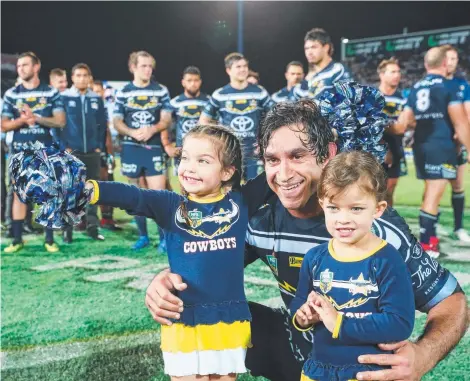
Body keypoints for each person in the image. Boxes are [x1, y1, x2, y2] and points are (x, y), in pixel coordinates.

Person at [146, 100, 468, 381]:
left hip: (361, 368)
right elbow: (204, 266)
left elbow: (452, 302)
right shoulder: (258, 220)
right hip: (300, 355)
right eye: (273, 160)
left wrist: (422, 356)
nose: (283, 174)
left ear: (327, 154)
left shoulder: (375, 229)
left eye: (297, 156)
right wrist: (165, 284)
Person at [85, 124, 256, 379]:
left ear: (228, 171)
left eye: (203, 161)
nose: (189, 167)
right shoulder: (171, 205)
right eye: (185, 158)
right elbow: (133, 196)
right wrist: (86, 190)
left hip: (228, 318)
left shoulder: (240, 203)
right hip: (183, 317)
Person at [291, 151, 415, 380]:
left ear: (378, 209)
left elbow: (400, 323)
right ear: (322, 205)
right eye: (334, 208)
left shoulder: (387, 260)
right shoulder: (314, 257)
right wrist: (302, 317)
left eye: (356, 208)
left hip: (366, 373)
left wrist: (340, 323)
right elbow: (299, 303)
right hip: (317, 370)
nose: (343, 219)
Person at [401, 47, 470, 258]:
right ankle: (426, 246)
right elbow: (461, 123)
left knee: (430, 192)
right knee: (433, 195)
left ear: (425, 64)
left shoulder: (416, 87)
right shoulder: (448, 87)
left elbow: (407, 121)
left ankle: (429, 238)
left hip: (421, 145)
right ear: (443, 63)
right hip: (442, 146)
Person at [1, 51, 66, 253]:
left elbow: (60, 121)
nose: (20, 68)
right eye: (19, 65)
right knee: (19, 195)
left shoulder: (51, 92)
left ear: (36, 67)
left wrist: (36, 118)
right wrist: (22, 121)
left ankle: (49, 239)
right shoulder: (12, 94)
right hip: (20, 152)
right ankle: (17, 239)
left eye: (25, 65)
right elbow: (3, 125)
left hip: (44, 151)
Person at [113, 51, 173, 250]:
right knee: (135, 195)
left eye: (150, 66)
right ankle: (143, 236)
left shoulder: (161, 90)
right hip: (131, 149)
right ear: (133, 68)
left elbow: (166, 119)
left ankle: (164, 238)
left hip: (153, 148)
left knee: (158, 194)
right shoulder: (123, 92)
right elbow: (116, 121)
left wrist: (152, 129)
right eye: (143, 66)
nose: (147, 70)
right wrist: (131, 132)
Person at [200, 52, 273, 181]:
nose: (243, 69)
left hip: (254, 153)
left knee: (257, 193)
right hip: (230, 152)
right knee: (231, 193)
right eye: (238, 67)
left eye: (245, 66)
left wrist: (266, 141)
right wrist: (215, 143)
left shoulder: (260, 92)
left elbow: (274, 118)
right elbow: (203, 121)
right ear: (228, 70)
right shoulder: (219, 94)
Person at [59, 63, 107, 242]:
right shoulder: (63, 97)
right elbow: (58, 126)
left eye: (85, 76)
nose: (81, 79)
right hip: (73, 151)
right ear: (72, 78)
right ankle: (67, 229)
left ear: (89, 78)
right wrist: (64, 146)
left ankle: (92, 227)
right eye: (78, 75)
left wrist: (98, 146)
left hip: (92, 151)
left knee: (92, 189)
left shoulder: (96, 98)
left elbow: (103, 125)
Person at [442, 44, 470, 244]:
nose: (450, 62)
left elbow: (467, 114)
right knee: (435, 187)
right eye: (447, 58)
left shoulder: (462, 85)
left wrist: (462, 137)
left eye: (454, 59)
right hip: (438, 143)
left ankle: (458, 227)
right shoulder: (433, 84)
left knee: (458, 185)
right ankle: (429, 229)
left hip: (457, 144)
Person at [377, 58, 408, 206]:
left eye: (398, 72)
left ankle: (388, 224)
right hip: (375, 150)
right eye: (392, 72)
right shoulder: (372, 97)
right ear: (382, 75)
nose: (397, 75)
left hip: (397, 148)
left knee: (390, 190)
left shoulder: (403, 99)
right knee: (376, 191)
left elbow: (402, 127)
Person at [92, 79, 121, 231]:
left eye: (99, 91)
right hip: (88, 152)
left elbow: (107, 133)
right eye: (94, 91)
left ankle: (107, 218)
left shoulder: (104, 109)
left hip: (102, 151)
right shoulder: (84, 108)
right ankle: (86, 220)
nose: (97, 94)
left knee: (107, 184)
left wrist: (110, 154)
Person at [292, 28, 352, 100]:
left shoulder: (338, 71)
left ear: (326, 47)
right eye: (306, 48)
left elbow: (349, 101)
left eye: (314, 47)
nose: (309, 52)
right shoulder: (308, 78)